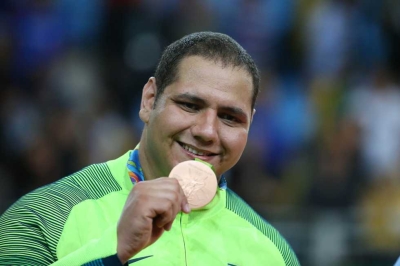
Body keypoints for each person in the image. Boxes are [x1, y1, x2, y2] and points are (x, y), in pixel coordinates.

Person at [0, 32, 300, 266]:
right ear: (149, 100)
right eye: (190, 105)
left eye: (230, 118)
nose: (208, 131)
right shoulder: (42, 217)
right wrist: (112, 253)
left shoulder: (272, 251)